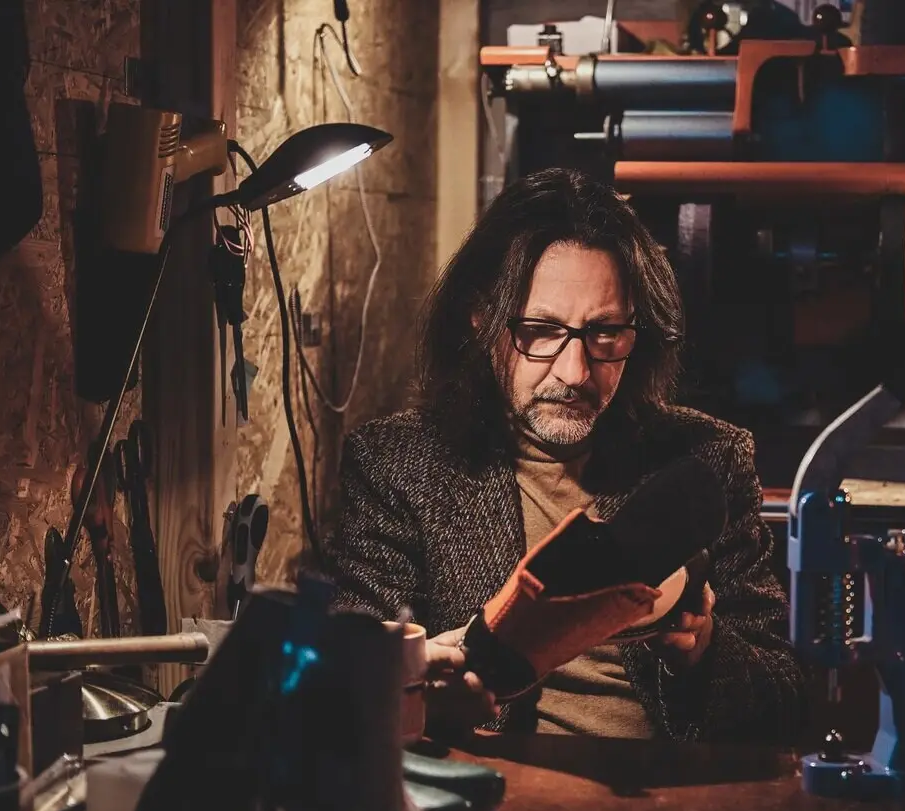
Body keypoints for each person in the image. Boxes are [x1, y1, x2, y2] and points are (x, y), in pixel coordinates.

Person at [329, 167, 806, 743]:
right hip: (488, 791)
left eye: (605, 334)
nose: (576, 372)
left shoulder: (708, 458)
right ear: (481, 320)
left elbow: (782, 705)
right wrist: (420, 687)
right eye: (540, 330)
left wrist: (702, 651)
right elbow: (344, 685)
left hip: (663, 799)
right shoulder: (396, 464)